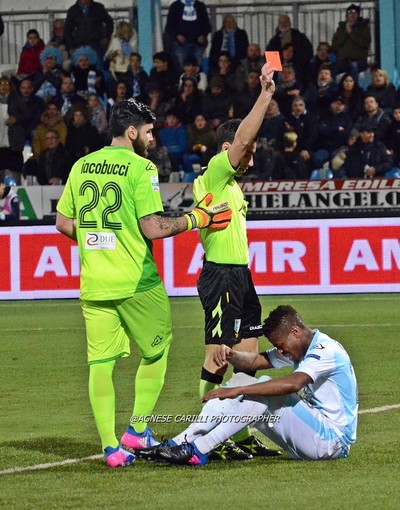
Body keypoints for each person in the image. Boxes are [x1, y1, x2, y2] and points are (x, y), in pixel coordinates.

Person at [55, 98, 232, 467]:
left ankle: (110, 448)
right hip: (136, 281)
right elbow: (153, 227)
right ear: (132, 131)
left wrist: (99, 240)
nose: (152, 139)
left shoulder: (81, 165)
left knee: (100, 364)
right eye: (149, 132)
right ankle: (137, 430)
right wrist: (198, 218)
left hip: (95, 281)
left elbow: (63, 223)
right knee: (157, 349)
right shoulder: (141, 167)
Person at [191, 61, 280, 458]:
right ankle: (201, 435)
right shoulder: (214, 173)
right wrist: (264, 95)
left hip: (241, 277)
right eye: (247, 152)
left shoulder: (233, 188)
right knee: (217, 357)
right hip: (221, 277)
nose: (252, 160)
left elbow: (244, 144)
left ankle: (239, 435)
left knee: (245, 358)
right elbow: (243, 139)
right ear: (228, 150)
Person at [140, 305, 358, 465]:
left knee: (262, 387)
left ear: (295, 332)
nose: (280, 352)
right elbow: (255, 361)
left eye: (281, 346)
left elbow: (293, 384)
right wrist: (231, 355)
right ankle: (181, 442)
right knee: (244, 378)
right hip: (312, 433)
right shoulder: (300, 348)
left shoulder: (326, 350)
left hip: (331, 441)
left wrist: (236, 391)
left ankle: (199, 450)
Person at [164, 0, 211, 72]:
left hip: (198, 44)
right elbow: (169, 26)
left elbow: (207, 24)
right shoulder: (175, 6)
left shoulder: (200, 6)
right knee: (181, 68)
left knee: (197, 67)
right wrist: (177, 35)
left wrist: (203, 35)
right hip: (180, 45)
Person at [331, 3, 371, 79]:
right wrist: (345, 32)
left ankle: (354, 88)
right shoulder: (341, 28)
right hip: (342, 60)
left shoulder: (363, 27)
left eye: (355, 13)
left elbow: (364, 43)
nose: (352, 14)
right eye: (350, 12)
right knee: (331, 67)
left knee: (353, 66)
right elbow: (335, 44)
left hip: (358, 60)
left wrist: (351, 32)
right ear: (347, 15)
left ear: (358, 15)